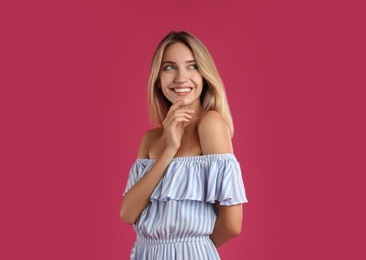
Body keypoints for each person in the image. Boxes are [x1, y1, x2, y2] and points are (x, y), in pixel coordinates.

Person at [120, 31, 248, 259]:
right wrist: (169, 149)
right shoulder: (151, 139)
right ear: (158, 80)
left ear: (204, 75)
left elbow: (232, 224)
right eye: (169, 67)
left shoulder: (210, 125)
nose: (181, 77)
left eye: (192, 66)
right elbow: (128, 213)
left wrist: (191, 248)